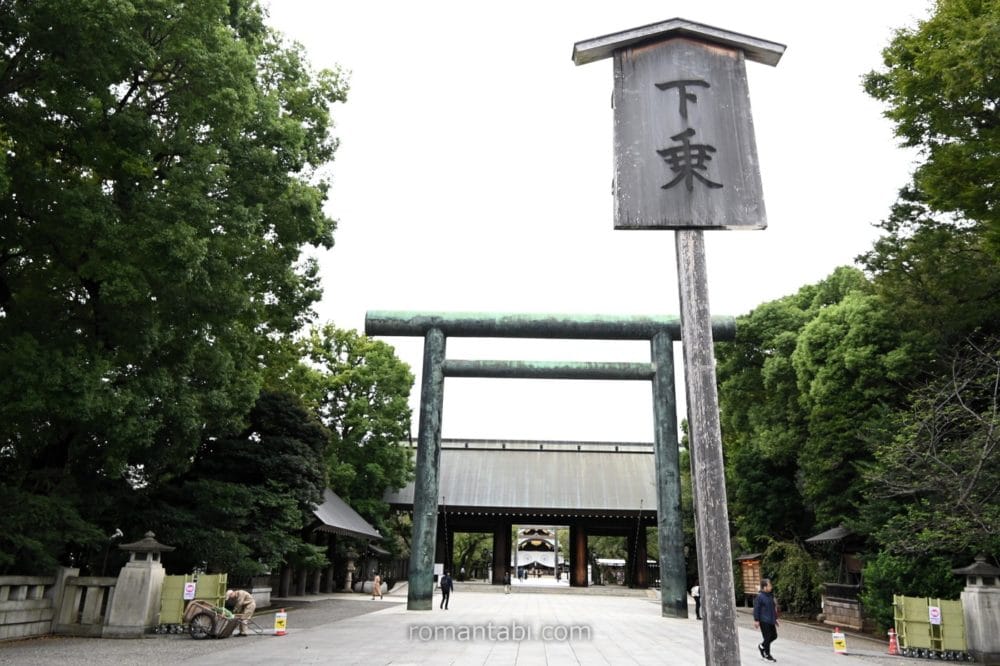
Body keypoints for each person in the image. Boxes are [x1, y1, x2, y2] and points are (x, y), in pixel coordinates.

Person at [753, 578, 779, 662]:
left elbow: (773, 608)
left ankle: (762, 646)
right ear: (764, 587)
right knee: (767, 637)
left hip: (771, 620)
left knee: (774, 636)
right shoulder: (760, 597)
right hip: (764, 620)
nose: (771, 587)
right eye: (769, 586)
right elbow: (756, 609)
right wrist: (756, 620)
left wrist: (776, 619)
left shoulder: (770, 596)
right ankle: (767, 655)